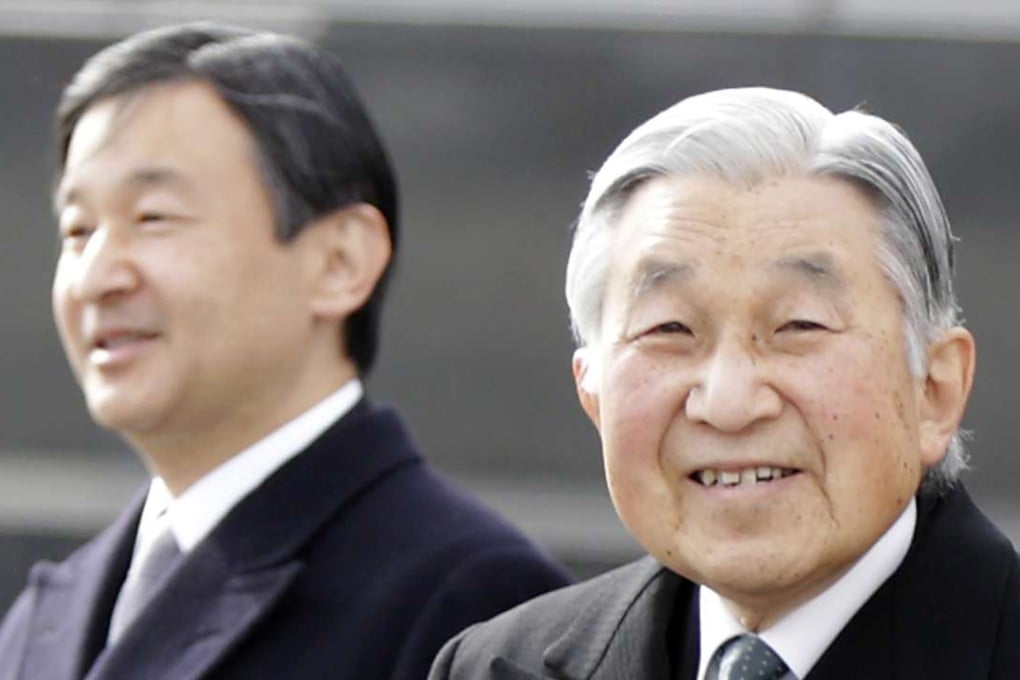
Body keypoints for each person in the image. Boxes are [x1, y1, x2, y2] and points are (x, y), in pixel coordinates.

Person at [0, 22, 570, 679]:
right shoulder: (55, 612)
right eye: (77, 230)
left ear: (339, 261)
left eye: (154, 217)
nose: (98, 277)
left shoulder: (470, 604)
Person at [430, 87, 1020, 679]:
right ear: (594, 394)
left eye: (798, 324)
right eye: (670, 328)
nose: (729, 403)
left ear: (935, 390)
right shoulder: (492, 666)